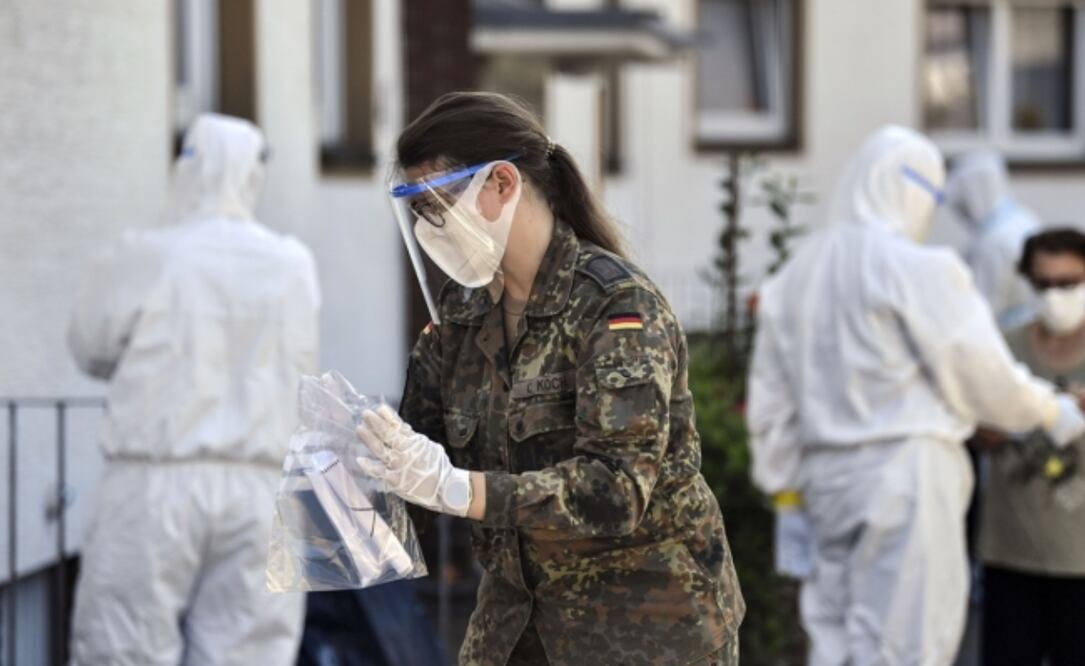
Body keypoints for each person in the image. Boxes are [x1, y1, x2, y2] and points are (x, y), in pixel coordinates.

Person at [353, 91, 745, 665]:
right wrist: (349, 462)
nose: (430, 226)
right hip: (518, 625)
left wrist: (461, 489)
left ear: (502, 183)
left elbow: (616, 492)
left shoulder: (616, 307)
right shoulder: (461, 315)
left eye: (439, 205)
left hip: (645, 631)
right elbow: (416, 464)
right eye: (419, 210)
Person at [745, 126, 1085, 666]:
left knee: (834, 641)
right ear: (910, 189)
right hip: (908, 479)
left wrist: (786, 495)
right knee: (907, 647)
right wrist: (1051, 411)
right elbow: (980, 371)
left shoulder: (797, 275)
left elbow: (771, 401)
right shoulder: (917, 269)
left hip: (824, 484)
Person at [67, 113, 321, 665]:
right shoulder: (292, 265)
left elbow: (90, 348)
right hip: (261, 487)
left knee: (122, 644)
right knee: (247, 651)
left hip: (155, 480)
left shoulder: (147, 255)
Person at [976, 228, 1085, 666]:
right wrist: (990, 428)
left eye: (1069, 284)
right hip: (1011, 554)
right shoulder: (1004, 348)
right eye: (1044, 284)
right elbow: (974, 424)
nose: (1055, 296)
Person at [946, 149, 1041, 329]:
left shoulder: (993, 242)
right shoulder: (1023, 217)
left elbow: (983, 305)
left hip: (1006, 332)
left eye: (963, 205)